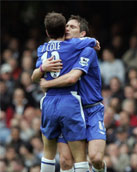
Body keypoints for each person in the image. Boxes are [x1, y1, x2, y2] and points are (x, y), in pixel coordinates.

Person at [31, 12, 100, 172]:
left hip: (48, 101)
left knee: (48, 153)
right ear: (64, 30)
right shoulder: (73, 45)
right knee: (79, 156)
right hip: (69, 101)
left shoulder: (42, 49)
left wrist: (43, 69)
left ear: (47, 33)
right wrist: (94, 41)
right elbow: (88, 41)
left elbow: (35, 77)